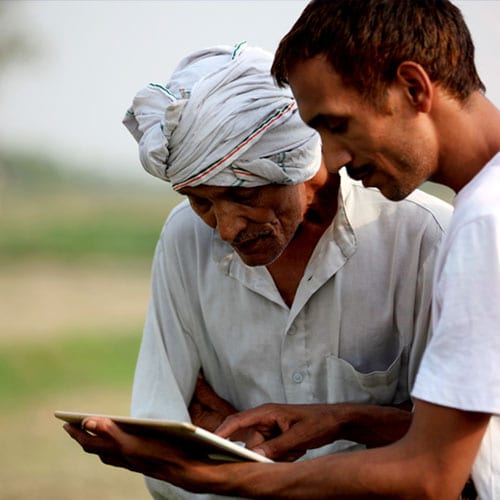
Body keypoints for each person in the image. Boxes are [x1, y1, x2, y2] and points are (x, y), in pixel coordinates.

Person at [61, 28, 473, 498]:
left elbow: (454, 450)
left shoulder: (425, 239)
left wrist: (337, 425)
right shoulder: (185, 238)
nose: (227, 228)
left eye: (245, 195)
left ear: (297, 159)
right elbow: (166, 419)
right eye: (201, 200)